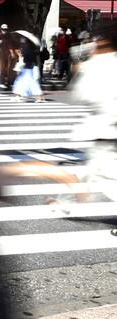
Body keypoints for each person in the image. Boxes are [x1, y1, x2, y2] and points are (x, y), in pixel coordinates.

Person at [67, 22, 117, 235]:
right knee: (98, 171)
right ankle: (69, 199)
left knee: (107, 177)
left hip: (107, 129)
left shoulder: (98, 65)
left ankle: (69, 200)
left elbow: (81, 95)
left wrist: (80, 69)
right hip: (109, 130)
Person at [12, 37, 45, 103]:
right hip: (28, 68)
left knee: (29, 83)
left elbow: (26, 57)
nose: (21, 40)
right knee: (20, 83)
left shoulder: (26, 48)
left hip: (27, 68)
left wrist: (21, 55)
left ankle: (40, 97)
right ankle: (18, 96)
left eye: (23, 39)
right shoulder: (30, 48)